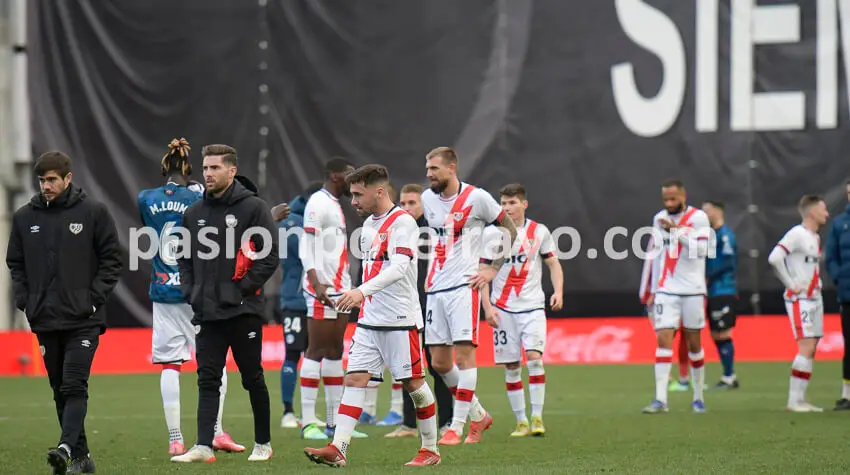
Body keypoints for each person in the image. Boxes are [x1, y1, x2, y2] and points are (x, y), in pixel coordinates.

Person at [304, 164, 441, 467]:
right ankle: (338, 448)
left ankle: (430, 448)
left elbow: (399, 268)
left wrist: (360, 292)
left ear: (378, 191)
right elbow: (373, 270)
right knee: (354, 379)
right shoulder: (367, 227)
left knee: (414, 385)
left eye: (357, 194)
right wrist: (357, 293)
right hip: (369, 320)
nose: (352, 201)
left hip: (399, 320)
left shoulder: (403, 223)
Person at [6, 151, 123, 474]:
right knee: (59, 388)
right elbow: (15, 263)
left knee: (73, 384)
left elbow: (113, 259)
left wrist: (93, 300)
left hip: (84, 319)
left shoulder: (93, 212)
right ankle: (82, 459)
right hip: (44, 317)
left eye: (52, 179)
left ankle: (65, 447)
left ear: (68, 178)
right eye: (42, 180)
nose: (46, 185)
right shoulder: (23, 218)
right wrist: (25, 301)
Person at [171, 144, 278, 462]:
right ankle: (204, 445)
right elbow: (184, 258)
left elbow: (269, 256)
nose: (208, 174)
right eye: (205, 168)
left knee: (251, 377)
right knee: (207, 378)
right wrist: (191, 291)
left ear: (232, 171)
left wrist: (242, 289)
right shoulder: (194, 213)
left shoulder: (253, 208)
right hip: (207, 311)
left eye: (215, 168)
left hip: (243, 311)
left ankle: (263, 444)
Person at [137, 138, 244, 456]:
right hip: (197, 290)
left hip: (163, 288)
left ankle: (175, 438)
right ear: (191, 170)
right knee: (215, 363)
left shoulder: (146, 198)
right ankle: (216, 431)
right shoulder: (199, 195)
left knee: (170, 364)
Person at [421, 146, 518, 444]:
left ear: (452, 168)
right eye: (427, 169)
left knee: (464, 358)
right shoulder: (427, 199)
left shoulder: (477, 198)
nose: (429, 174)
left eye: (434, 169)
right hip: (434, 289)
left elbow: (509, 229)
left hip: (464, 287)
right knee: (438, 363)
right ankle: (479, 415)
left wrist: (492, 269)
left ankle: (457, 426)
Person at [481, 184, 563, 437]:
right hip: (503, 309)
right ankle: (521, 421)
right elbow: (482, 273)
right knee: (512, 366)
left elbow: (553, 263)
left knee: (535, 358)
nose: (507, 208)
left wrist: (558, 291)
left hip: (533, 307)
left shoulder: (540, 232)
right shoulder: (492, 234)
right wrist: (487, 308)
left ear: (524, 204)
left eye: (512, 203)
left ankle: (537, 417)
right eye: (503, 204)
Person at [298, 158, 367, 441]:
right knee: (316, 350)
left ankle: (333, 422)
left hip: (340, 288)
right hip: (322, 288)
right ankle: (308, 422)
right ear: (337, 174)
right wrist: (316, 283)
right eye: (350, 173)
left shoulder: (336, 204)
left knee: (336, 351)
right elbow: (307, 245)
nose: (353, 178)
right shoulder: (317, 202)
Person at [384, 184, 454, 438]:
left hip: (433, 305)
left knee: (438, 366)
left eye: (412, 203)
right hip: (405, 308)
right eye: (402, 203)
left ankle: (447, 422)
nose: (406, 208)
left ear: (423, 205)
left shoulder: (433, 233)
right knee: (407, 367)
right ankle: (409, 425)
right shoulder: (395, 230)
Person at [642, 180, 710, 414]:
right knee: (663, 339)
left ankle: (698, 397)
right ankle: (661, 399)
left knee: (694, 344)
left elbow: (701, 250)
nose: (669, 204)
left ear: (683, 196)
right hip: (666, 289)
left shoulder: (699, 218)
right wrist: (650, 290)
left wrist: (676, 232)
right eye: (665, 200)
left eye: (673, 199)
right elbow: (656, 255)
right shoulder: (659, 218)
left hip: (693, 290)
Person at [768, 195, 829, 412]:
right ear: (812, 212)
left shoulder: (814, 237)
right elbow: (774, 257)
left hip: (815, 297)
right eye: (824, 210)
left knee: (811, 347)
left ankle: (801, 399)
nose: (827, 214)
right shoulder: (797, 234)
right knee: (805, 346)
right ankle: (793, 401)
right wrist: (791, 283)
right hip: (800, 299)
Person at [277, 181, 323, 428]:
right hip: (297, 299)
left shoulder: (296, 221)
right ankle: (288, 412)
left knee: (317, 355)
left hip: (310, 298)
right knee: (295, 354)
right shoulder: (294, 224)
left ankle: (310, 413)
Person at [702, 201, 739, 390]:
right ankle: (727, 375)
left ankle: (730, 376)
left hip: (724, 290)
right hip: (714, 291)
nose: (704, 214)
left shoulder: (725, 236)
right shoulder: (712, 235)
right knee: (716, 334)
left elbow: (726, 262)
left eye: (706, 211)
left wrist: (707, 277)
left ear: (717, 212)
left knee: (723, 332)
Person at [825, 179, 850, 410]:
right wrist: (839, 277)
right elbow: (830, 256)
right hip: (848, 294)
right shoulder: (840, 224)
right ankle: (847, 394)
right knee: (849, 346)